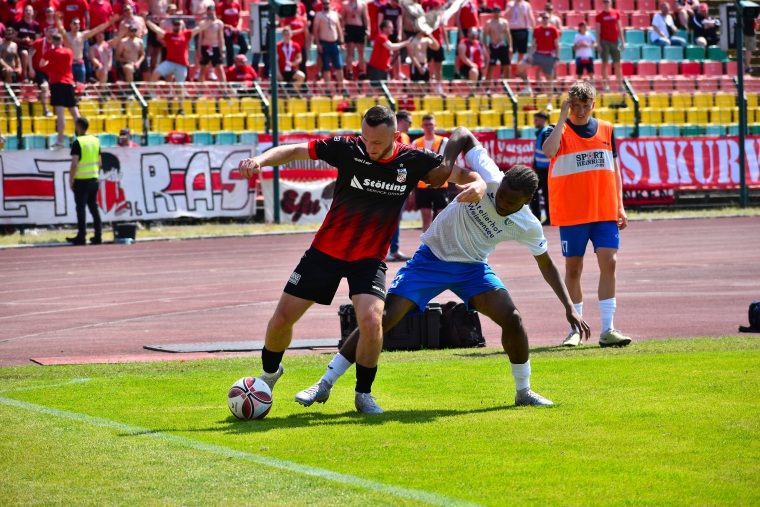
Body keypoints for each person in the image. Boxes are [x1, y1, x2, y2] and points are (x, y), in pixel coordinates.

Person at [294, 126, 589, 412]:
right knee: (380, 320)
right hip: (430, 260)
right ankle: (324, 383)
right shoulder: (491, 176)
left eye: (511, 202)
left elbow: (546, 264)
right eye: (500, 195)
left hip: (472, 269)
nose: (501, 202)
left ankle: (523, 391)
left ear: (526, 202)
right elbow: (463, 133)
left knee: (512, 318)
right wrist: (446, 165)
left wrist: (569, 307)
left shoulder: (528, 224)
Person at [235, 105, 487, 414]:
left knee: (371, 320)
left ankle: (363, 394)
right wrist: (259, 160)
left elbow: (464, 174)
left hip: (368, 259)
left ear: (395, 136)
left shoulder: (414, 160)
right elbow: (296, 150)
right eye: (366, 140)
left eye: (377, 143)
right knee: (282, 319)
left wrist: (479, 183)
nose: (369, 148)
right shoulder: (348, 147)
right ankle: (270, 373)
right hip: (325, 252)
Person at [540, 80, 631, 348]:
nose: (580, 112)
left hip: (604, 211)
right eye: (575, 106)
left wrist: (620, 204)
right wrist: (560, 118)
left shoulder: (606, 129)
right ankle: (575, 329)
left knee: (610, 263)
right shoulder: (555, 129)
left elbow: (615, 171)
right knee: (574, 269)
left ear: (594, 104)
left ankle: (608, 329)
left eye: (585, 106)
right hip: (572, 213)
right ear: (569, 105)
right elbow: (548, 152)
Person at [146, 16, 212, 115]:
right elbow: (157, 29)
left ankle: (181, 108)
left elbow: (199, 28)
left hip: (181, 65)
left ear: (181, 26)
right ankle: (149, 92)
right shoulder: (168, 35)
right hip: (169, 62)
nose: (176, 26)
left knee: (179, 87)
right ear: (172, 26)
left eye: (178, 24)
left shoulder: (186, 34)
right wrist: (148, 21)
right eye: (175, 25)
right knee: (156, 72)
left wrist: (210, 21)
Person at [39, 31, 79, 150]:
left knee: (60, 113)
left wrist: (50, 66)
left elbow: (41, 64)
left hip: (57, 83)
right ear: (61, 41)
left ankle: (60, 140)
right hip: (69, 82)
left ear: (53, 41)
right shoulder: (69, 52)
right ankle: (83, 136)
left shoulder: (50, 52)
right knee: (74, 112)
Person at [66, 117, 102, 246]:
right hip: (94, 179)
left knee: (81, 209)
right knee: (94, 208)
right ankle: (98, 235)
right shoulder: (95, 141)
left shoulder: (78, 142)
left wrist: (70, 180)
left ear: (78, 127)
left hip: (81, 181)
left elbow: (74, 164)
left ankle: (81, 236)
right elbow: (100, 162)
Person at [56, 11, 118, 83]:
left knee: (80, 86)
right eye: (75, 23)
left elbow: (96, 30)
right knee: (70, 85)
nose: (77, 25)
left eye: (79, 23)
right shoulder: (67, 36)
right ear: (70, 25)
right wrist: (57, 20)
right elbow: (61, 29)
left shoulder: (82, 36)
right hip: (70, 64)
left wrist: (109, 23)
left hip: (80, 64)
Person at [412, 113, 448, 232]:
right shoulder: (416, 143)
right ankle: (425, 245)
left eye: (431, 124)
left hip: (440, 184)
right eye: (426, 124)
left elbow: (448, 161)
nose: (429, 127)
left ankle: (441, 242)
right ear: (422, 126)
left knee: (441, 216)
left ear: (435, 125)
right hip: (423, 185)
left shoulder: (443, 141)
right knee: (426, 216)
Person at [386, 109, 413, 262]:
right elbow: (397, 161)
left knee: (395, 218)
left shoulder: (406, 137)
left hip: (401, 183)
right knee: (388, 217)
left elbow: (406, 163)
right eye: (409, 122)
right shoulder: (391, 137)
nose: (410, 125)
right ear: (401, 121)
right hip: (391, 183)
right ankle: (385, 251)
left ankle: (394, 249)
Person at [518, 13, 559, 108]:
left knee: (549, 80)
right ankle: (527, 86)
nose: (545, 19)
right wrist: (531, 54)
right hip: (538, 54)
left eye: (546, 18)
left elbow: (557, 45)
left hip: (549, 56)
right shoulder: (537, 29)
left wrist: (557, 58)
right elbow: (533, 43)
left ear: (549, 19)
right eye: (543, 18)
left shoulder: (553, 29)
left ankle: (549, 102)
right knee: (520, 66)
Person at [312, 0, 345, 86]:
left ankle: (342, 87)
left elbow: (339, 29)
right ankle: (327, 88)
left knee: (339, 66)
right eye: (324, 3)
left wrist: (341, 42)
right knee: (326, 67)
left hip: (334, 43)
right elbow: (315, 31)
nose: (325, 5)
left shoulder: (334, 14)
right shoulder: (319, 15)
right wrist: (318, 44)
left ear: (330, 4)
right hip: (324, 43)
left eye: (327, 3)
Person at [366, 19, 408, 86]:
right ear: (384, 28)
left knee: (383, 88)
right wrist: (405, 43)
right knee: (375, 89)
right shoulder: (381, 37)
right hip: (376, 68)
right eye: (390, 27)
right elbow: (391, 46)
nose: (393, 29)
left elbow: (386, 54)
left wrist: (387, 64)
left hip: (382, 68)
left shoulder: (385, 38)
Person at [595, 0, 625, 92]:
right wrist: (598, 44)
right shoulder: (599, 15)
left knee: (617, 63)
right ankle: (605, 85)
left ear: (611, 2)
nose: (606, 3)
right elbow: (597, 30)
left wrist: (623, 41)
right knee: (605, 63)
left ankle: (620, 85)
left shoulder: (616, 13)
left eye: (607, 1)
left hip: (615, 41)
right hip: (604, 41)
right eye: (604, 2)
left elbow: (619, 27)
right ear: (602, 3)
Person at [529, 111, 550, 225]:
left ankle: (547, 218)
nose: (534, 122)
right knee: (536, 193)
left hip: (545, 169)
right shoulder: (541, 132)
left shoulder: (545, 133)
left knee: (546, 194)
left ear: (543, 120)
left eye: (536, 120)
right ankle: (539, 217)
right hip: (540, 168)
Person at [483, 5, 512, 81]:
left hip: (502, 45)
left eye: (498, 12)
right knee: (491, 66)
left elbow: (508, 35)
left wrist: (510, 47)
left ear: (500, 13)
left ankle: (506, 86)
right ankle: (487, 87)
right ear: (493, 13)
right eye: (495, 12)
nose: (496, 14)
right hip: (493, 46)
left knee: (507, 66)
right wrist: (486, 48)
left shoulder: (504, 22)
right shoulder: (489, 23)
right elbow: (485, 36)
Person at [341, 0, 369, 80]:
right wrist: (342, 29)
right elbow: (342, 17)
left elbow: (366, 17)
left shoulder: (362, 4)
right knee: (350, 50)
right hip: (349, 27)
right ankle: (349, 71)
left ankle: (362, 71)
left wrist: (368, 29)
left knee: (361, 50)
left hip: (360, 28)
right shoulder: (345, 4)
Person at [197, 4, 226, 82]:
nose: (210, 14)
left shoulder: (219, 23)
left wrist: (222, 50)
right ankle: (200, 90)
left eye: (211, 13)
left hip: (215, 46)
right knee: (202, 68)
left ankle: (224, 89)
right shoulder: (203, 23)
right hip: (205, 46)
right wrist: (199, 51)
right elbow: (200, 38)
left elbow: (221, 38)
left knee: (220, 68)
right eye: (208, 13)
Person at [217, 0, 247, 67]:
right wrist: (227, 26)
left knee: (244, 47)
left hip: (236, 30)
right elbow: (218, 21)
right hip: (226, 31)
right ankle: (230, 67)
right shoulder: (221, 6)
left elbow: (240, 17)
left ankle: (237, 60)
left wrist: (239, 26)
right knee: (230, 49)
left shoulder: (237, 5)